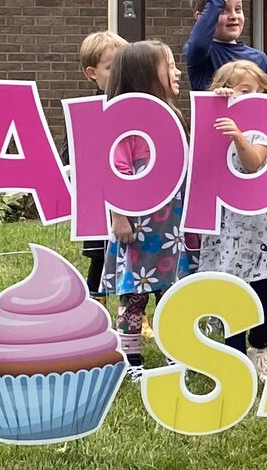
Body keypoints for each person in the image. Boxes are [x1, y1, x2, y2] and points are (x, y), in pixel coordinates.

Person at [201, 59, 267, 386]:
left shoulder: (261, 131)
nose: (246, 97)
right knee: (231, 292)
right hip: (226, 228)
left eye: (253, 91)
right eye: (237, 90)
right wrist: (217, 106)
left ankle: (259, 349)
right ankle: (234, 355)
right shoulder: (212, 126)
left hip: (259, 227)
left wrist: (239, 136)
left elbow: (253, 163)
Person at [101, 39, 189, 369]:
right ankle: (131, 359)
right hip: (139, 225)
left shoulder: (174, 116)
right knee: (134, 293)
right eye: (169, 66)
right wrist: (119, 217)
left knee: (172, 291)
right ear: (144, 75)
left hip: (172, 227)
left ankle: (175, 351)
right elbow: (115, 170)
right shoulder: (127, 122)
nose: (177, 71)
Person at [75, 28, 124, 297]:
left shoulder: (138, 105)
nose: (118, 73)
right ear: (92, 73)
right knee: (100, 257)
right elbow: (70, 154)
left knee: (138, 256)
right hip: (99, 202)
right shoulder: (88, 110)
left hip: (132, 197)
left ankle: (139, 317)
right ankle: (96, 309)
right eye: (110, 67)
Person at [184, 0, 267, 93]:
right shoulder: (202, 55)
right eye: (223, 10)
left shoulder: (259, 58)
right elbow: (199, 45)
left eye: (238, 9)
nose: (234, 16)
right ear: (201, 18)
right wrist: (215, 0)